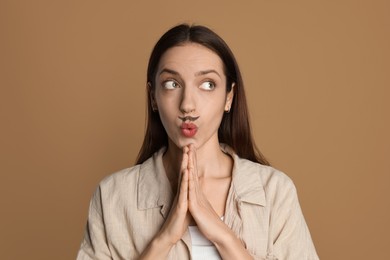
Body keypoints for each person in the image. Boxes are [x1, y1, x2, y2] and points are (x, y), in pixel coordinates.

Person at [77, 24, 319, 260]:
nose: (187, 105)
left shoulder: (275, 193)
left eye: (207, 85)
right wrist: (164, 239)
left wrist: (222, 236)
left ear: (229, 97)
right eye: (172, 84)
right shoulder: (112, 197)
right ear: (153, 97)